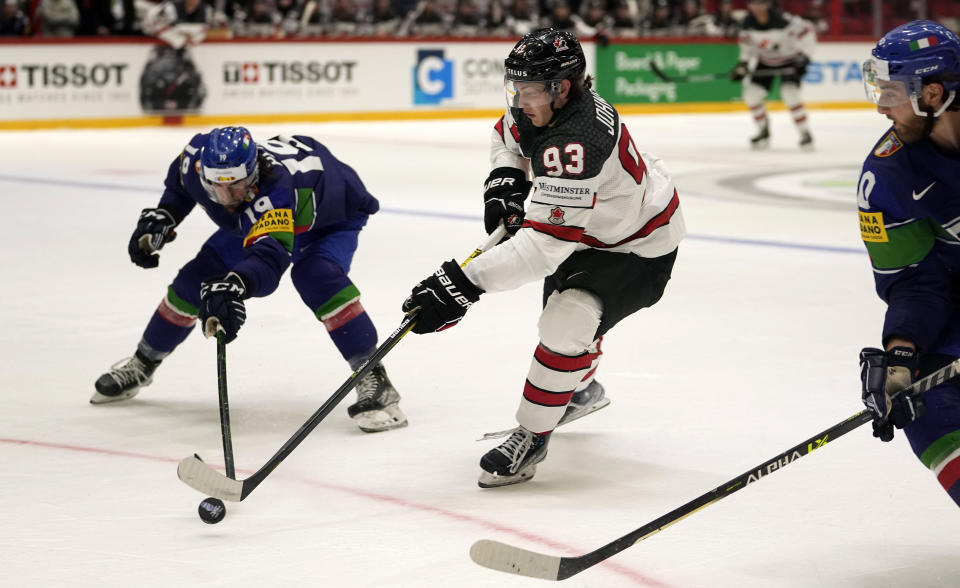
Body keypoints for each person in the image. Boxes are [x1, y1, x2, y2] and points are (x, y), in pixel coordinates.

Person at [401, 28, 685, 487]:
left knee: (565, 322)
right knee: (569, 327)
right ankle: (579, 389)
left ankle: (533, 435)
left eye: (529, 90)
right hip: (589, 229)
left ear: (563, 87)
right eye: (515, 87)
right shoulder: (541, 107)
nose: (519, 99)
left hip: (635, 246)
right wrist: (505, 182)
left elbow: (540, 250)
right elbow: (506, 140)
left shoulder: (577, 140)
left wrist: (462, 283)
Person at [93, 128, 408, 434]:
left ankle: (373, 375)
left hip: (331, 215)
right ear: (203, 173)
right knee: (195, 280)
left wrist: (236, 285)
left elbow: (270, 260)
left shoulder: (275, 188)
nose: (228, 197)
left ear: (255, 172)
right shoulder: (194, 159)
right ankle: (143, 362)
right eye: (217, 189)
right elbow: (179, 186)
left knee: (316, 276)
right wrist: (165, 215)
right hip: (269, 213)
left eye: (238, 186)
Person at [857, 20, 960, 507]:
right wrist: (901, 352)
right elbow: (915, 280)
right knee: (925, 402)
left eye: (892, 91)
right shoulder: (887, 174)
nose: (880, 106)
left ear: (933, 93)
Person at [731, 0, 816, 150]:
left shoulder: (784, 20)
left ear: (767, 5)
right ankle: (763, 130)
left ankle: (805, 133)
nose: (757, 8)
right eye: (753, 4)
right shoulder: (746, 24)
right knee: (750, 94)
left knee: (790, 93)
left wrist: (806, 56)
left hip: (789, 60)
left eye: (760, 4)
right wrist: (742, 65)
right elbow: (746, 47)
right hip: (765, 61)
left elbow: (808, 32)